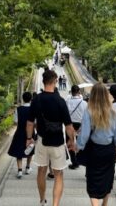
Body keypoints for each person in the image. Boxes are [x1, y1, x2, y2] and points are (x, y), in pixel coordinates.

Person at [26, 69, 75, 206]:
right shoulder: (60, 101)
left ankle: (42, 200)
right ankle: (55, 204)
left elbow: (30, 123)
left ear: (43, 82)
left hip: (42, 141)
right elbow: (69, 126)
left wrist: (29, 138)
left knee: (41, 171)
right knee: (58, 175)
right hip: (58, 142)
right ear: (55, 82)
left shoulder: (37, 99)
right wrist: (72, 141)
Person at [77, 83, 116, 206]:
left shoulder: (89, 111)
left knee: (93, 182)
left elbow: (84, 135)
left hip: (94, 151)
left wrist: (78, 147)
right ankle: (104, 204)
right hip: (109, 151)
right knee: (107, 179)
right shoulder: (114, 111)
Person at [8, 92, 35, 178]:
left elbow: (15, 121)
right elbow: (35, 122)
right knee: (30, 150)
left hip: (19, 132)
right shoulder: (33, 109)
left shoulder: (18, 109)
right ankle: (27, 168)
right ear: (31, 99)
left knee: (19, 150)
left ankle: (19, 170)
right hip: (30, 132)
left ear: (23, 99)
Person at [66, 85, 88, 169]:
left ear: (71, 92)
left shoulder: (67, 102)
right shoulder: (84, 103)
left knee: (70, 142)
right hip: (81, 125)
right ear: (79, 91)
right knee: (82, 142)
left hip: (70, 125)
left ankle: (74, 162)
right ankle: (81, 159)